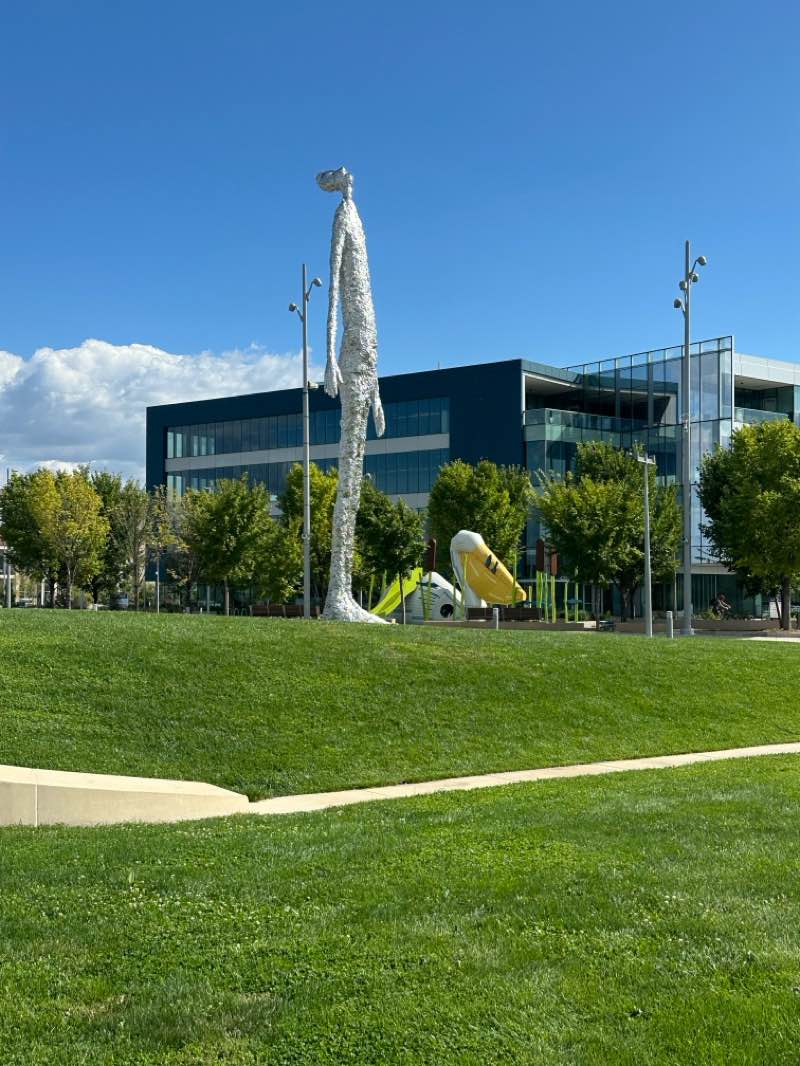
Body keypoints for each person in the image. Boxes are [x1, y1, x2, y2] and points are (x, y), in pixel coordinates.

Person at [317, 166, 387, 623]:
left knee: (356, 477)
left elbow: (365, 305)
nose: (348, 177)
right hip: (351, 363)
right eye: (340, 176)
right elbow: (335, 291)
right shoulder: (343, 217)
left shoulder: (357, 217)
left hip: (367, 366)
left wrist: (376, 386)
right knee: (348, 477)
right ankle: (338, 596)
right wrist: (329, 357)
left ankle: (342, 597)